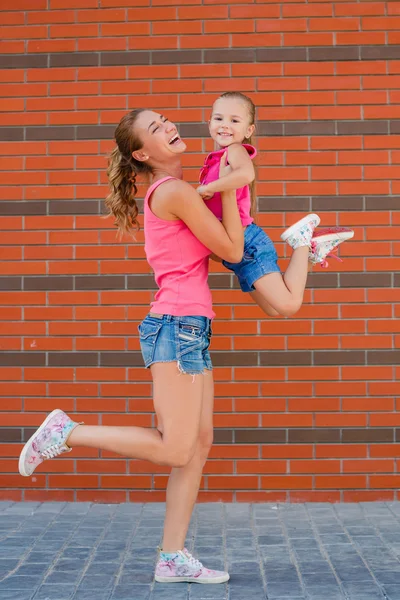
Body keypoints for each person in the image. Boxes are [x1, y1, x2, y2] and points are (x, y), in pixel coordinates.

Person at [18, 108, 245, 585]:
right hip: (177, 325)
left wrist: (230, 183)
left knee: (198, 445)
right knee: (178, 448)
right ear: (142, 153)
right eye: (156, 129)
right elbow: (232, 250)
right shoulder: (177, 191)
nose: (169, 127)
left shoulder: (174, 191)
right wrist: (229, 185)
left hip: (190, 326)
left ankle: (172, 557)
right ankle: (67, 431)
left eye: (166, 120)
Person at [197, 91, 354, 318]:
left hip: (248, 244)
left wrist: (211, 188)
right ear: (209, 122)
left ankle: (301, 240)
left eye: (234, 120)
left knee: (288, 305)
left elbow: (246, 174)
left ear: (249, 130)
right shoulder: (215, 158)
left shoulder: (235, 150)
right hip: (235, 250)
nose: (225, 125)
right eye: (219, 118)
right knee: (272, 309)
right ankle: (309, 254)